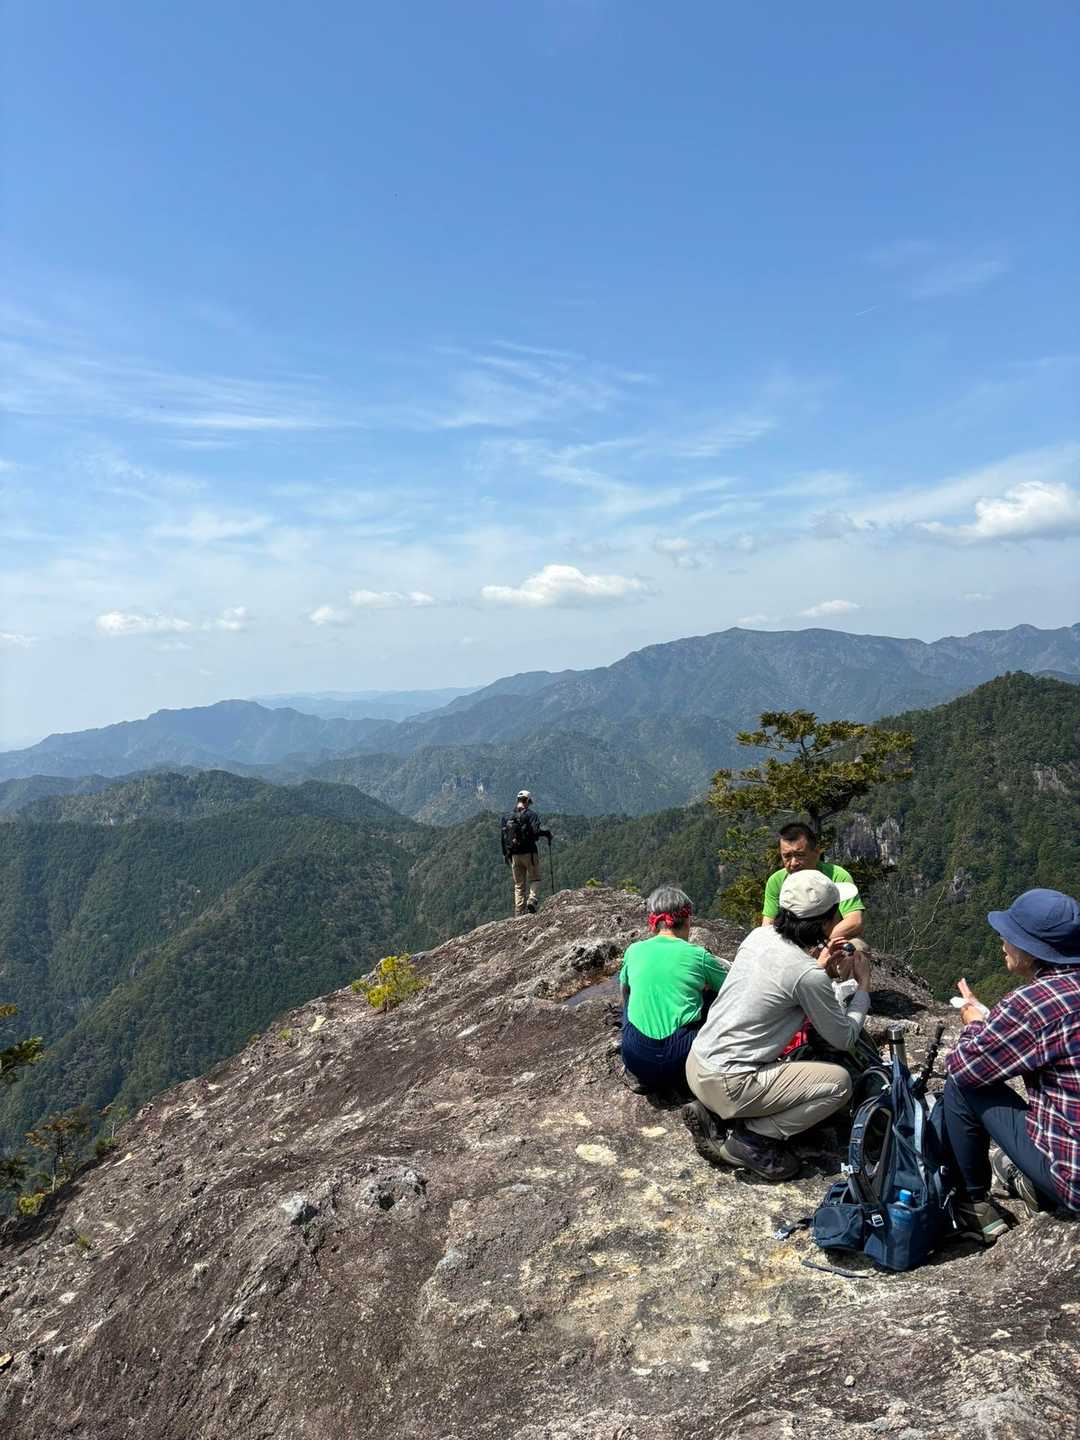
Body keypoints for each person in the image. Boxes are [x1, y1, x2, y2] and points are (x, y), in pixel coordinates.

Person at [683, 869, 871, 1181]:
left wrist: (819, 970)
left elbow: (778, 986)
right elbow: (844, 1038)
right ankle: (753, 1139)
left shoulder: (758, 937)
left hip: (697, 1064)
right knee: (839, 1084)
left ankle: (719, 1114)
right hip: (730, 1084)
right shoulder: (806, 974)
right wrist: (863, 987)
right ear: (825, 922)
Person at [942, 888, 1080, 1244]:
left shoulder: (1030, 1004)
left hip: (1074, 1177)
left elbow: (965, 1066)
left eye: (1009, 936)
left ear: (1032, 950)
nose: (1002, 942)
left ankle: (975, 1205)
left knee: (961, 1083)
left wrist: (975, 1024)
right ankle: (1030, 1182)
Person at [619, 886, 727, 1094]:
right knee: (713, 993)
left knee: (628, 989)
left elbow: (624, 992)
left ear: (653, 922)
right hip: (683, 1061)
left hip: (636, 1059)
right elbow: (732, 989)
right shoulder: (698, 955)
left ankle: (636, 1062)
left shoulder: (633, 951)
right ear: (688, 921)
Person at [761, 823, 865, 957]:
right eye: (787, 856)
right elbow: (768, 925)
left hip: (830, 939)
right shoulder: (776, 881)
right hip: (792, 944)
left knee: (857, 949)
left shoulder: (837, 876)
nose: (793, 863)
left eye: (799, 855)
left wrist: (822, 944)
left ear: (816, 852)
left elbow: (854, 921)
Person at [500, 789, 552, 916]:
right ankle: (532, 900)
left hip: (514, 855)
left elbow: (503, 837)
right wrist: (547, 834)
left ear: (518, 800)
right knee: (535, 879)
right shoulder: (531, 815)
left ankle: (519, 912)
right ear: (527, 801)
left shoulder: (507, 817)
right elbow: (536, 832)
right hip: (529, 853)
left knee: (519, 885)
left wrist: (505, 854)